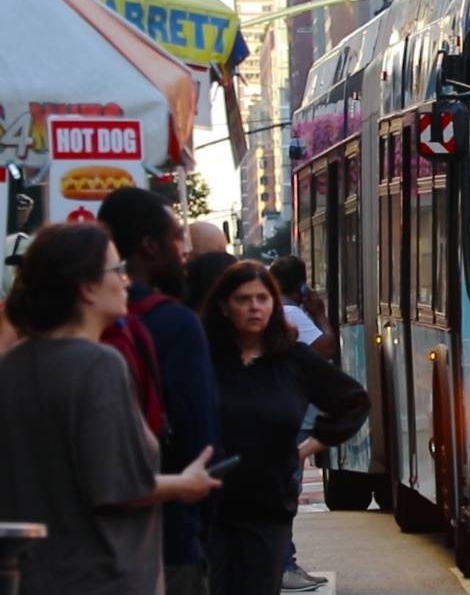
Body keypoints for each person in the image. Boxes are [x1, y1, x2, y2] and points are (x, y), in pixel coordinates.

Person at [0, 223, 221, 595]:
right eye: (116, 271)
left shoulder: (10, 365)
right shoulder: (98, 364)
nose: (124, 281)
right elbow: (118, 485)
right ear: (86, 287)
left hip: (28, 575)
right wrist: (185, 483)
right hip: (101, 574)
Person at [202, 261, 369, 595]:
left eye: (262, 299)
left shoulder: (292, 359)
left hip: (267, 505)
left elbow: (353, 402)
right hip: (208, 506)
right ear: (223, 306)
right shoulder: (204, 357)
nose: (254, 307)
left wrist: (306, 448)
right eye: (243, 299)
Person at [97, 187, 221, 595]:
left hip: (87, 542)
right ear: (150, 246)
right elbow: (199, 438)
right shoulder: (175, 323)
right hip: (169, 535)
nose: (183, 250)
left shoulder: (63, 330)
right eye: (176, 238)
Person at [267, 255, 335, 591]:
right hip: (294, 414)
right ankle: (284, 566)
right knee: (286, 490)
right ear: (301, 285)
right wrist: (320, 314)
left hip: (282, 413)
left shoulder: (275, 313)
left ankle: (281, 563)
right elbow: (325, 348)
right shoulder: (292, 314)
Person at [1, 193, 34, 296]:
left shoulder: (21, 239)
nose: (24, 213)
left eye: (26, 210)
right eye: (21, 210)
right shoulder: (18, 239)